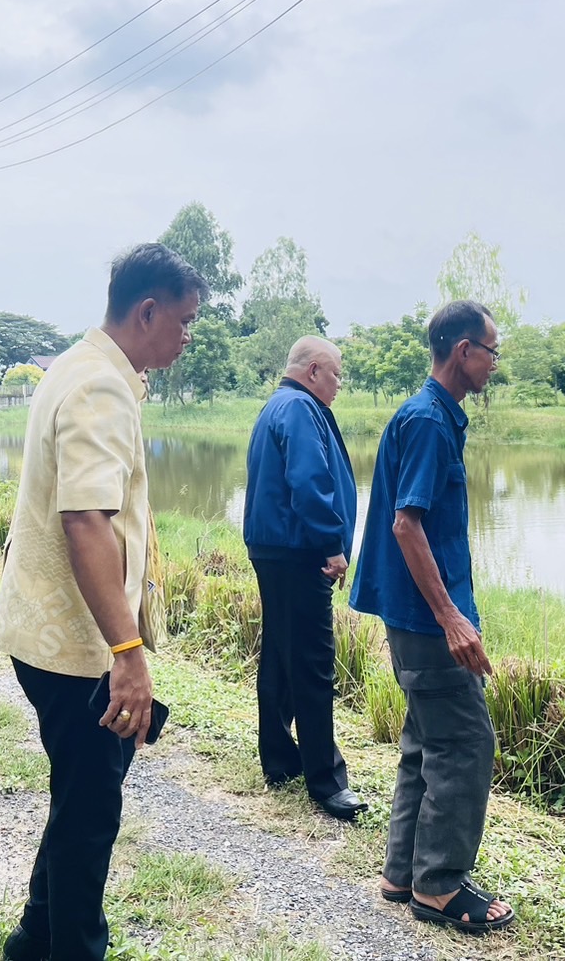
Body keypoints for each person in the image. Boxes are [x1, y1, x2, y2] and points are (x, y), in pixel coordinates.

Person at [0, 243, 205, 961]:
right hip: (77, 648)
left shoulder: (82, 368)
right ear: (146, 311)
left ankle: (33, 938)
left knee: (79, 798)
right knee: (89, 816)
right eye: (184, 321)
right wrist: (127, 654)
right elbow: (85, 520)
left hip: (55, 637)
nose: (187, 336)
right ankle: (72, 947)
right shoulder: (98, 388)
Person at [349, 300, 514, 935]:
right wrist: (451, 618)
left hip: (418, 615)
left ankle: (402, 872)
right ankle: (439, 886)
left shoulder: (436, 415)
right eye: (490, 350)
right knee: (466, 742)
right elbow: (405, 523)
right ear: (461, 350)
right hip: (425, 619)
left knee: (426, 739)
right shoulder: (427, 422)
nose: (494, 363)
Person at [244, 336, 365, 821]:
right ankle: (325, 780)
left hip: (275, 549)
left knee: (279, 654)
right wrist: (330, 545)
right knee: (314, 662)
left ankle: (278, 759)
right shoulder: (298, 407)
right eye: (336, 375)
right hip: (298, 551)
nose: (339, 385)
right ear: (315, 370)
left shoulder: (278, 403)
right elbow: (310, 480)